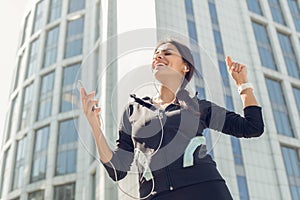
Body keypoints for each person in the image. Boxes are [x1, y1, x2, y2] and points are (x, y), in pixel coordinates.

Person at [80, 39, 264, 200]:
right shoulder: (133, 110)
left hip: (204, 189)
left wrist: (243, 85)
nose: (158, 57)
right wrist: (95, 128)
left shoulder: (198, 107)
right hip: (156, 195)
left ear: (185, 67)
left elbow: (252, 127)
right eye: (156, 54)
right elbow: (117, 170)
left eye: (167, 53)